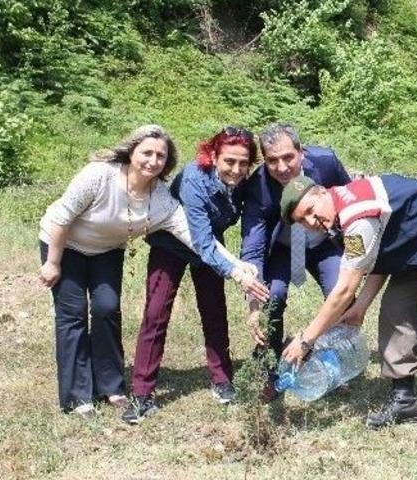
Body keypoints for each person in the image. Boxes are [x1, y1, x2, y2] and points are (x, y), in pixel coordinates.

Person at [38, 125, 258, 417]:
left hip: (113, 250)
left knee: (107, 309)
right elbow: (63, 217)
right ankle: (94, 396)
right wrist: (52, 262)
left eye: (160, 156)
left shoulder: (161, 198)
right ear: (132, 151)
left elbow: (199, 238)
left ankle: (112, 386)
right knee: (79, 314)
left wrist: (237, 265)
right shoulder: (101, 175)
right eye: (147, 153)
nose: (153, 161)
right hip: (68, 244)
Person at [278, 174, 417, 442]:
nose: (311, 221)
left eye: (310, 210)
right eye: (302, 220)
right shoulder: (338, 215)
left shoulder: (356, 218)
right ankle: (404, 401)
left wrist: (305, 340)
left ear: (322, 193)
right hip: (413, 247)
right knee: (394, 314)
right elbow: (378, 258)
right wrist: (361, 308)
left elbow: (343, 291)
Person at [122, 127, 270, 424]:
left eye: (243, 163)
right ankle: (142, 394)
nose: (236, 169)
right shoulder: (193, 179)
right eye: (229, 161)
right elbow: (200, 242)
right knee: (156, 313)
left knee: (215, 311)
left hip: (212, 244)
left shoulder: (244, 182)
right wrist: (236, 272)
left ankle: (222, 380)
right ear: (213, 156)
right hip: (173, 244)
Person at [239, 123, 350, 397]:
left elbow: (349, 199)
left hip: (323, 242)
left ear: (302, 152)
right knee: (272, 296)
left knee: (340, 292)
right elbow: (253, 246)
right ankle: (271, 367)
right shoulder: (257, 187)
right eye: (272, 160)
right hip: (284, 247)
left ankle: (334, 366)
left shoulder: (325, 162)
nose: (281, 167)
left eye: (288, 157)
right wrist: (253, 299)